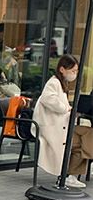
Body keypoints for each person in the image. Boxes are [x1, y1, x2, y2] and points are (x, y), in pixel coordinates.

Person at [32, 54, 85, 188]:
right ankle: (66, 175)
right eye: (73, 71)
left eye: (76, 71)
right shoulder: (54, 83)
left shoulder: (60, 83)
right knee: (79, 143)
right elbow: (49, 99)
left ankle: (68, 174)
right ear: (62, 69)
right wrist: (66, 109)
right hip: (50, 126)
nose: (74, 74)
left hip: (58, 124)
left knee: (81, 141)